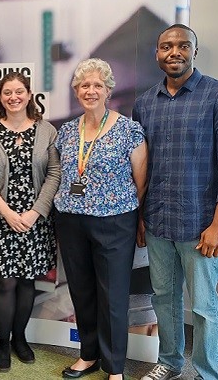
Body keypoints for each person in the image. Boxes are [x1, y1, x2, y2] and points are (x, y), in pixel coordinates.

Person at [133, 24, 218, 380]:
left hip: (201, 226)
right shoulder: (144, 104)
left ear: (194, 52)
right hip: (157, 221)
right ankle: (169, 362)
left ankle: (207, 373)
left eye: (183, 46)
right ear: (157, 53)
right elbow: (141, 166)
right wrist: (140, 218)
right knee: (164, 301)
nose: (175, 52)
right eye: (167, 46)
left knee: (204, 307)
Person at [54, 58, 147, 380]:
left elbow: (141, 181)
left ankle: (114, 367)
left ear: (108, 91)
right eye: (83, 85)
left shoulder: (129, 130)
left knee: (113, 295)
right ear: (76, 91)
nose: (90, 91)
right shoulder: (66, 131)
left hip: (115, 221)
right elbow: (61, 175)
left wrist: (137, 220)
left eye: (97, 85)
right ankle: (88, 355)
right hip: (71, 221)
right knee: (81, 291)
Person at [0, 72, 60, 372]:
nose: (13, 97)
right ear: (0, 97)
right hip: (0, 219)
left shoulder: (47, 130)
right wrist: (7, 213)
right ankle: (3, 344)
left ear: (29, 94)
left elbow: (54, 174)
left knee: (27, 282)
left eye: (19, 91)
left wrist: (35, 212)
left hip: (35, 218)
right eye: (7, 92)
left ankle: (21, 339)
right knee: (5, 284)